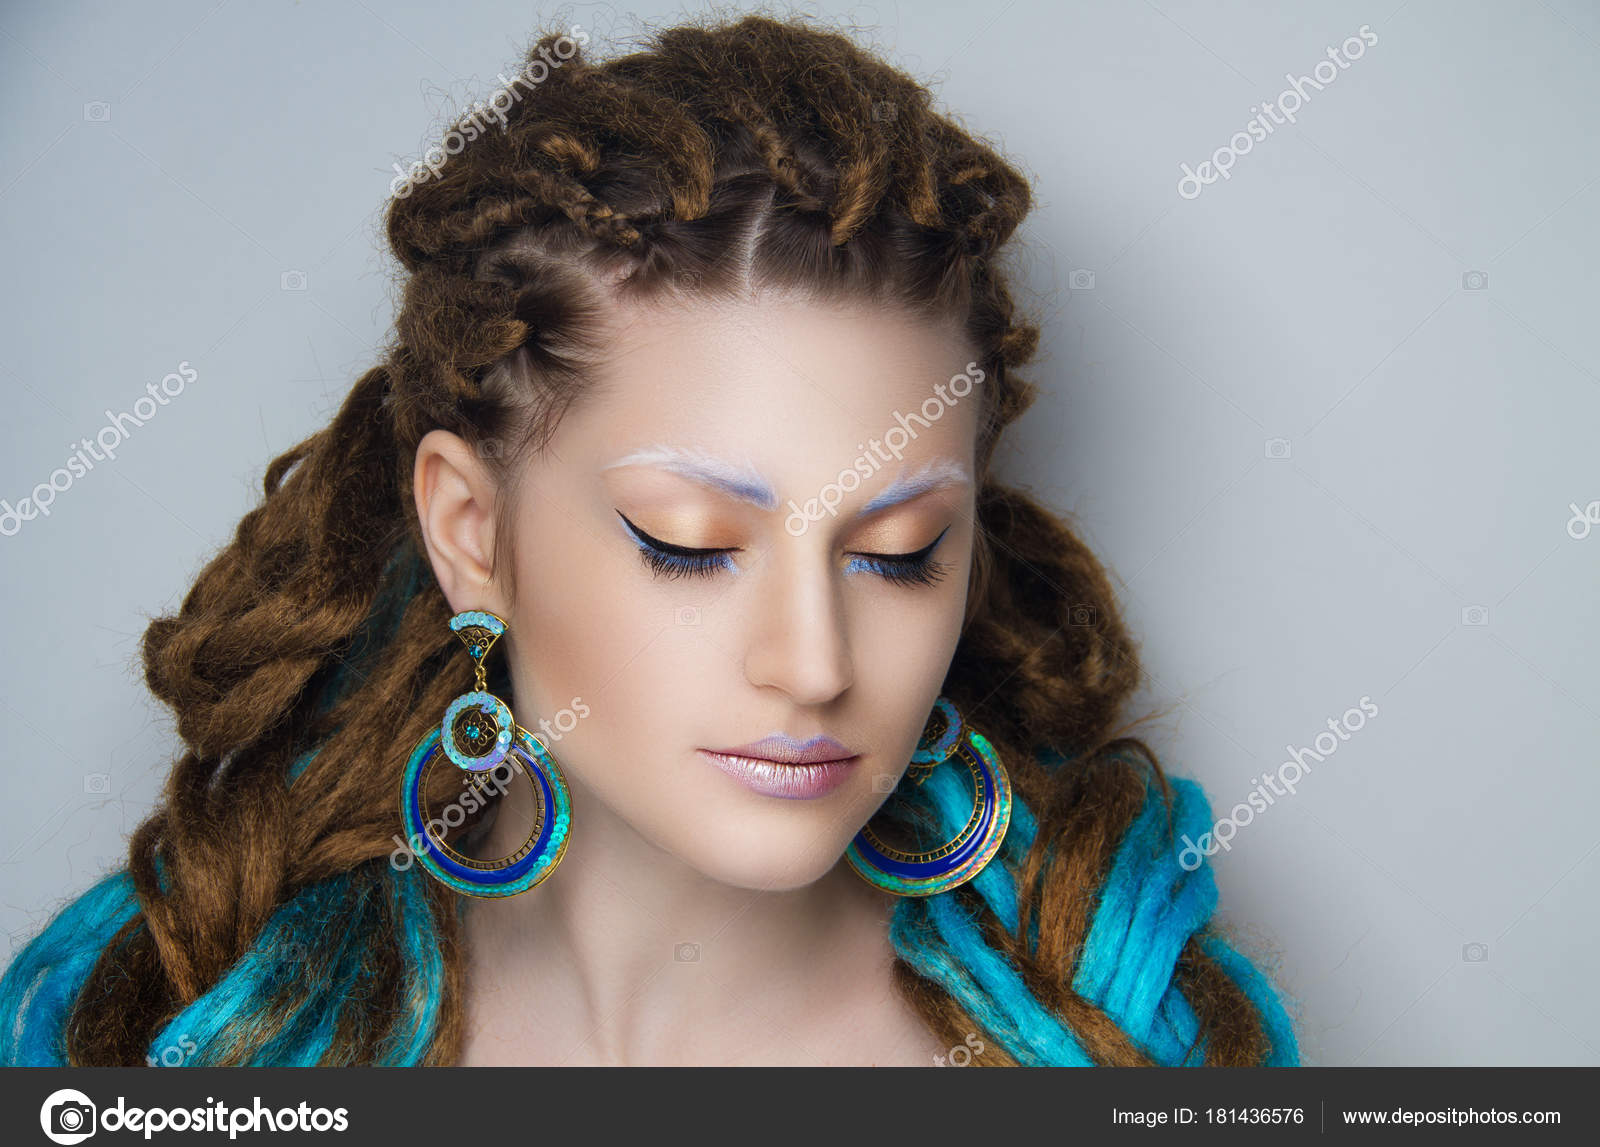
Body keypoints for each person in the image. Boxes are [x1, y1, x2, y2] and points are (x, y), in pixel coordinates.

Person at [0, 13, 1299, 1066]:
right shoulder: (175, 1031)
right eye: (687, 544)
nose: (813, 663)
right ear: (470, 531)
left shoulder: (1117, 1047)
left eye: (900, 553)